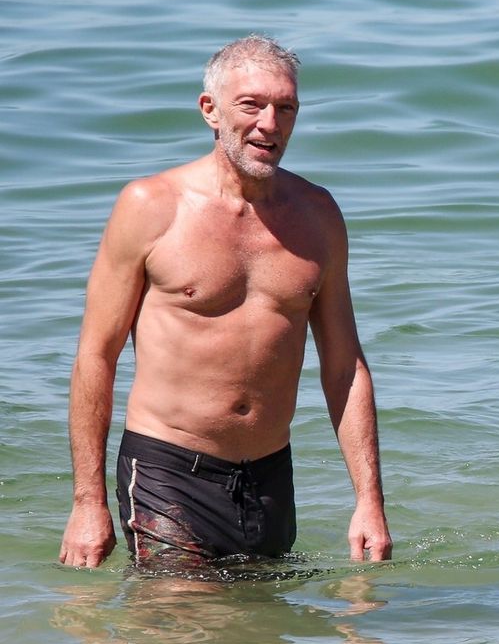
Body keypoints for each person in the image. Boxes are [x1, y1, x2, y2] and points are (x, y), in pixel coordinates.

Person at [59, 35, 392, 568]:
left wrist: (369, 501)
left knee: (258, 640)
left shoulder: (318, 216)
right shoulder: (150, 206)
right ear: (210, 110)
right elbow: (96, 355)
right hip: (167, 471)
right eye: (252, 104)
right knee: (185, 631)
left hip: (268, 476)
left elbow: (345, 365)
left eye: (286, 108)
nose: (270, 123)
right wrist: (87, 503)